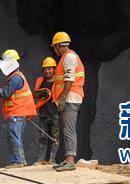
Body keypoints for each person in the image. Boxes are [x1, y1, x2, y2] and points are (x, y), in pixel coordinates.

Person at [0, 49, 37, 168]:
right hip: (20, 112)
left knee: (13, 135)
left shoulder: (15, 78)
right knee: (16, 136)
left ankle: (18, 161)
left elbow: (5, 93)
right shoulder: (17, 76)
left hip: (18, 112)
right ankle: (20, 160)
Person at [50, 31, 84, 172]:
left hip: (70, 98)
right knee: (66, 129)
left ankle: (70, 161)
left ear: (58, 45)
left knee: (69, 129)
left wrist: (63, 98)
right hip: (69, 97)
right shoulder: (66, 57)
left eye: (54, 47)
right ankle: (67, 159)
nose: (54, 49)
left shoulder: (69, 57)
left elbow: (69, 79)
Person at [33, 56, 59, 165]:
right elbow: (35, 94)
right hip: (43, 114)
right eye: (45, 69)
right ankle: (40, 160)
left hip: (55, 114)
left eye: (49, 68)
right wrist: (41, 94)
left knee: (55, 137)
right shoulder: (40, 80)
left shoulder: (58, 81)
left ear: (54, 69)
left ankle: (52, 160)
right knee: (42, 137)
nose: (47, 71)